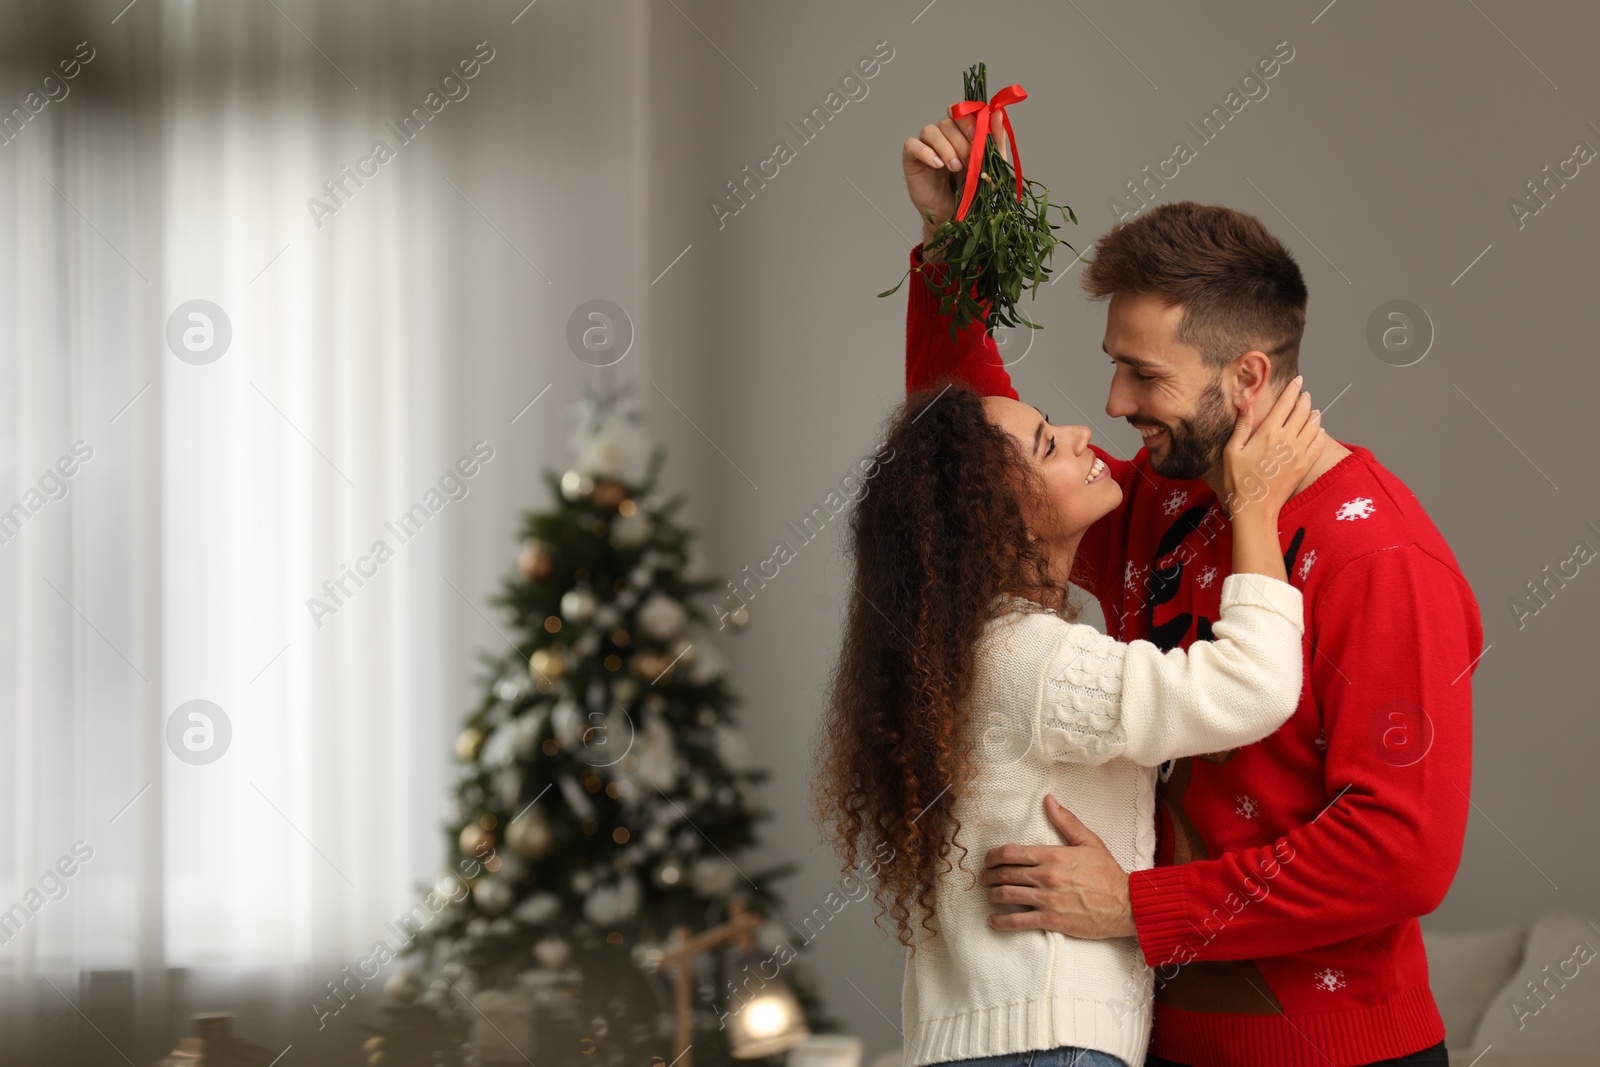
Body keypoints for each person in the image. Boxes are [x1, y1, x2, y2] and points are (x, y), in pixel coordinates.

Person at [898, 111, 1485, 1067]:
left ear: (1246, 377)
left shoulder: (1381, 561)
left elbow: (1399, 849)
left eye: (1144, 375)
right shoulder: (1162, 501)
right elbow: (980, 469)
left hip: (1330, 1056)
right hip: (1152, 1044)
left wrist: (1138, 907)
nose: (1117, 406)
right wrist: (949, 245)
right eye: (1113, 369)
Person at [813, 373, 1330, 1067]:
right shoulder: (1036, 659)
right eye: (1048, 444)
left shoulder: (970, 652)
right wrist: (1256, 506)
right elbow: (1254, 688)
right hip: (1048, 1048)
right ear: (1000, 517)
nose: (1087, 435)